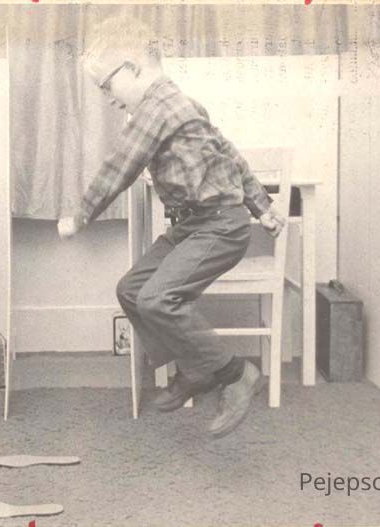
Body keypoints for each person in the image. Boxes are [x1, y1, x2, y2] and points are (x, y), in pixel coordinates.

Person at [57, 16, 286, 438]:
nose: (107, 98)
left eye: (106, 85)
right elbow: (230, 155)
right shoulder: (184, 104)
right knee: (131, 290)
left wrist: (81, 214)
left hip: (220, 226)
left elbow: (121, 165)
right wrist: (262, 205)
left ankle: (236, 374)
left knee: (158, 299)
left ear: (132, 68)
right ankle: (195, 368)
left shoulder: (159, 107)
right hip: (194, 225)